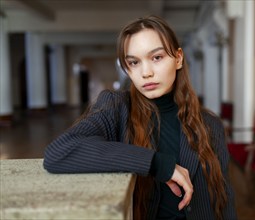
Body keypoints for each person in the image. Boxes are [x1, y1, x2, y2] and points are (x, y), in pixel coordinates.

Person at [43, 15, 237, 220]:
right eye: (134, 62)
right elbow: (59, 152)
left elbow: (224, 200)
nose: (146, 72)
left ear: (178, 58)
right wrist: (158, 164)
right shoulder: (116, 107)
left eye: (157, 57)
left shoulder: (210, 124)